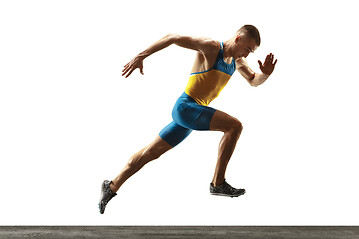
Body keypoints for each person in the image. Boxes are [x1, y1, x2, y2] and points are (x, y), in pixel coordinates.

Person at [99, 25, 277, 214]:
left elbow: (253, 80)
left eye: (251, 51)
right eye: (247, 49)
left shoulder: (237, 61)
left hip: (191, 114)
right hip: (186, 107)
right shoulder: (211, 47)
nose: (247, 54)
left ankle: (111, 186)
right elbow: (173, 37)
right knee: (235, 126)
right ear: (238, 38)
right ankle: (218, 183)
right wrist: (141, 55)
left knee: (150, 153)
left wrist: (265, 74)